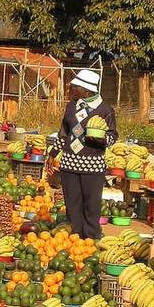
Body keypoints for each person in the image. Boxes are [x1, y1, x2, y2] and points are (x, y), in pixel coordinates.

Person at [46, 69, 116, 239]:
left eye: (75, 87)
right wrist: (53, 153)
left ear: (86, 90)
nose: (72, 90)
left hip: (92, 167)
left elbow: (113, 136)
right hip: (69, 165)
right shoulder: (71, 107)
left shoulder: (105, 110)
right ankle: (75, 238)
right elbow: (64, 132)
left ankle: (91, 238)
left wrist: (101, 140)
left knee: (91, 206)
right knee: (73, 205)